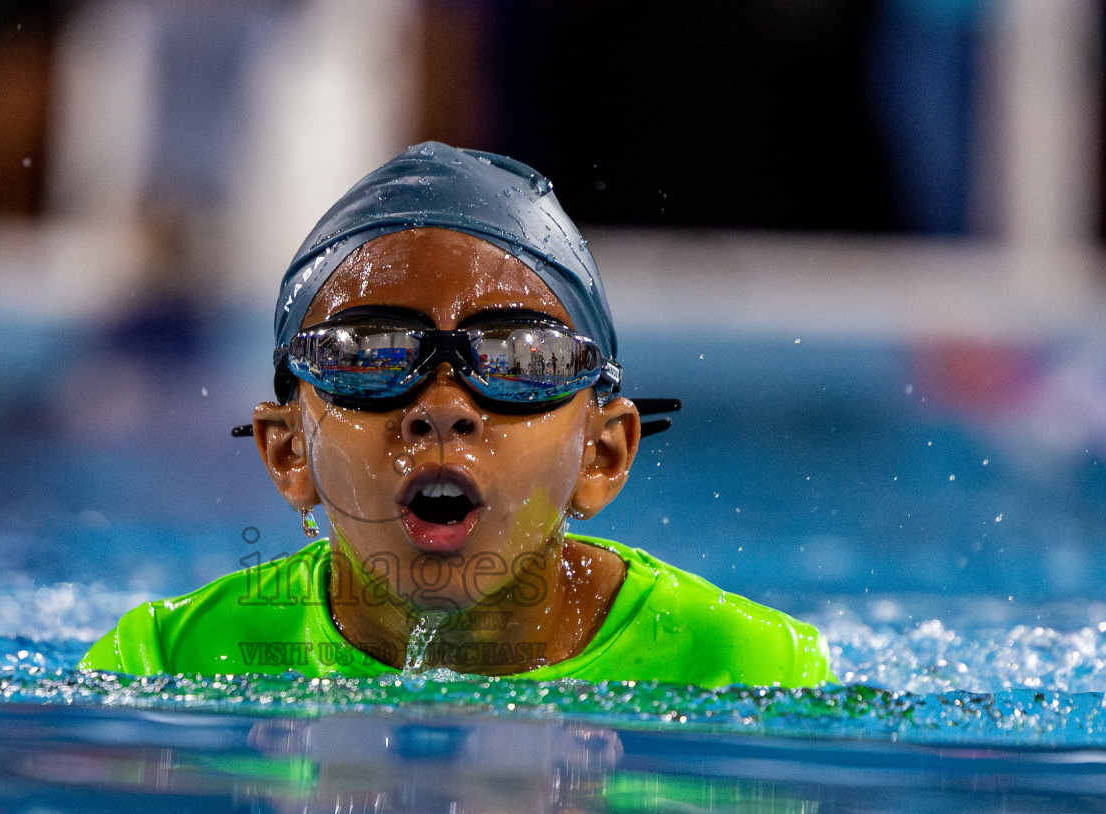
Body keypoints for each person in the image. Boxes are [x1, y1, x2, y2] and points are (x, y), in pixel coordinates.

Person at [81, 142, 833, 686]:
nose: (442, 409)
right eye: (370, 353)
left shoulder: (745, 670)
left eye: (518, 359)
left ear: (603, 456)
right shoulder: (163, 664)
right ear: (288, 453)